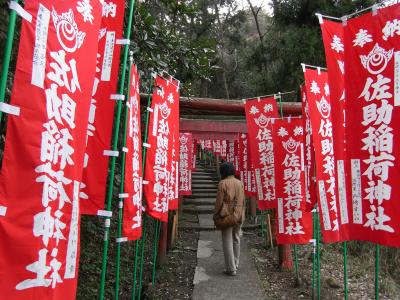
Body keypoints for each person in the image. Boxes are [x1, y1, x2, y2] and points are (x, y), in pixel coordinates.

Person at [213, 162, 245, 276]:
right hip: (239, 214)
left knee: (227, 240)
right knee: (236, 238)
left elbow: (219, 202)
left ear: (223, 172)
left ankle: (230, 268)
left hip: (226, 215)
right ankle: (235, 263)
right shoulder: (239, 183)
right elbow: (243, 200)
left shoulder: (222, 183)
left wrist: (215, 215)